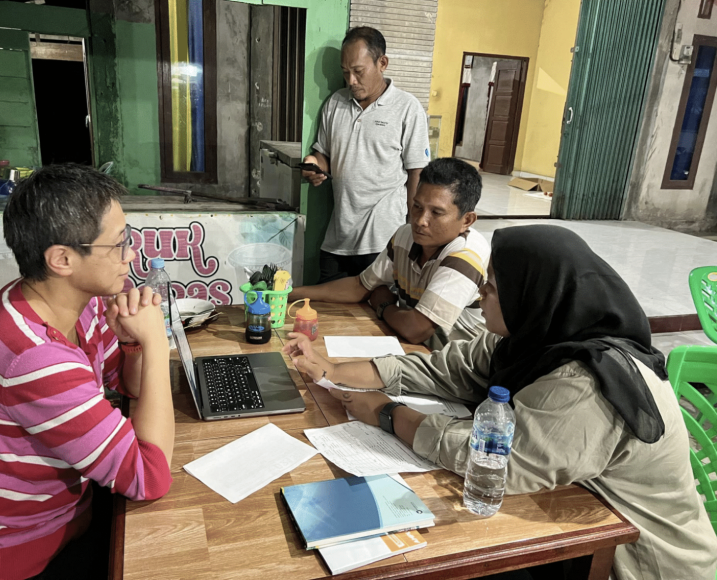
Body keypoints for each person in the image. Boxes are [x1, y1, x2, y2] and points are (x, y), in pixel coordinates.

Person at [283, 224, 717, 580]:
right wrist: (330, 370)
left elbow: (494, 461)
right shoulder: (532, 340)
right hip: (569, 524)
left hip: (634, 561)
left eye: (490, 288)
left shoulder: (590, 380)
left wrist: (388, 413)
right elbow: (441, 369)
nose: (480, 297)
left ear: (534, 294)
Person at [0, 165, 175, 580]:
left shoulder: (57, 300)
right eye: (119, 244)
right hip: (7, 549)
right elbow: (149, 477)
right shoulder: (33, 357)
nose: (131, 255)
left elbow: (127, 383)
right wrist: (158, 342)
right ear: (63, 259)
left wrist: (133, 344)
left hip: (63, 512)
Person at [291, 158, 489, 348]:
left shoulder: (466, 255)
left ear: (467, 220)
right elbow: (360, 285)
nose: (420, 220)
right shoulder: (405, 236)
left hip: (455, 368)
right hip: (414, 349)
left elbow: (416, 329)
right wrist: (286, 294)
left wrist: (384, 306)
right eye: (417, 207)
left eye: (436, 213)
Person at [303, 26, 430, 282]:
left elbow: (417, 171)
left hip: (383, 240)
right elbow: (324, 153)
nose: (351, 80)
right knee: (328, 315)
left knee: (374, 316)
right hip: (338, 237)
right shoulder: (335, 103)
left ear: (382, 63)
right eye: (345, 72)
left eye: (358, 71)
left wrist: (413, 228)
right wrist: (313, 163)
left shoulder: (407, 108)